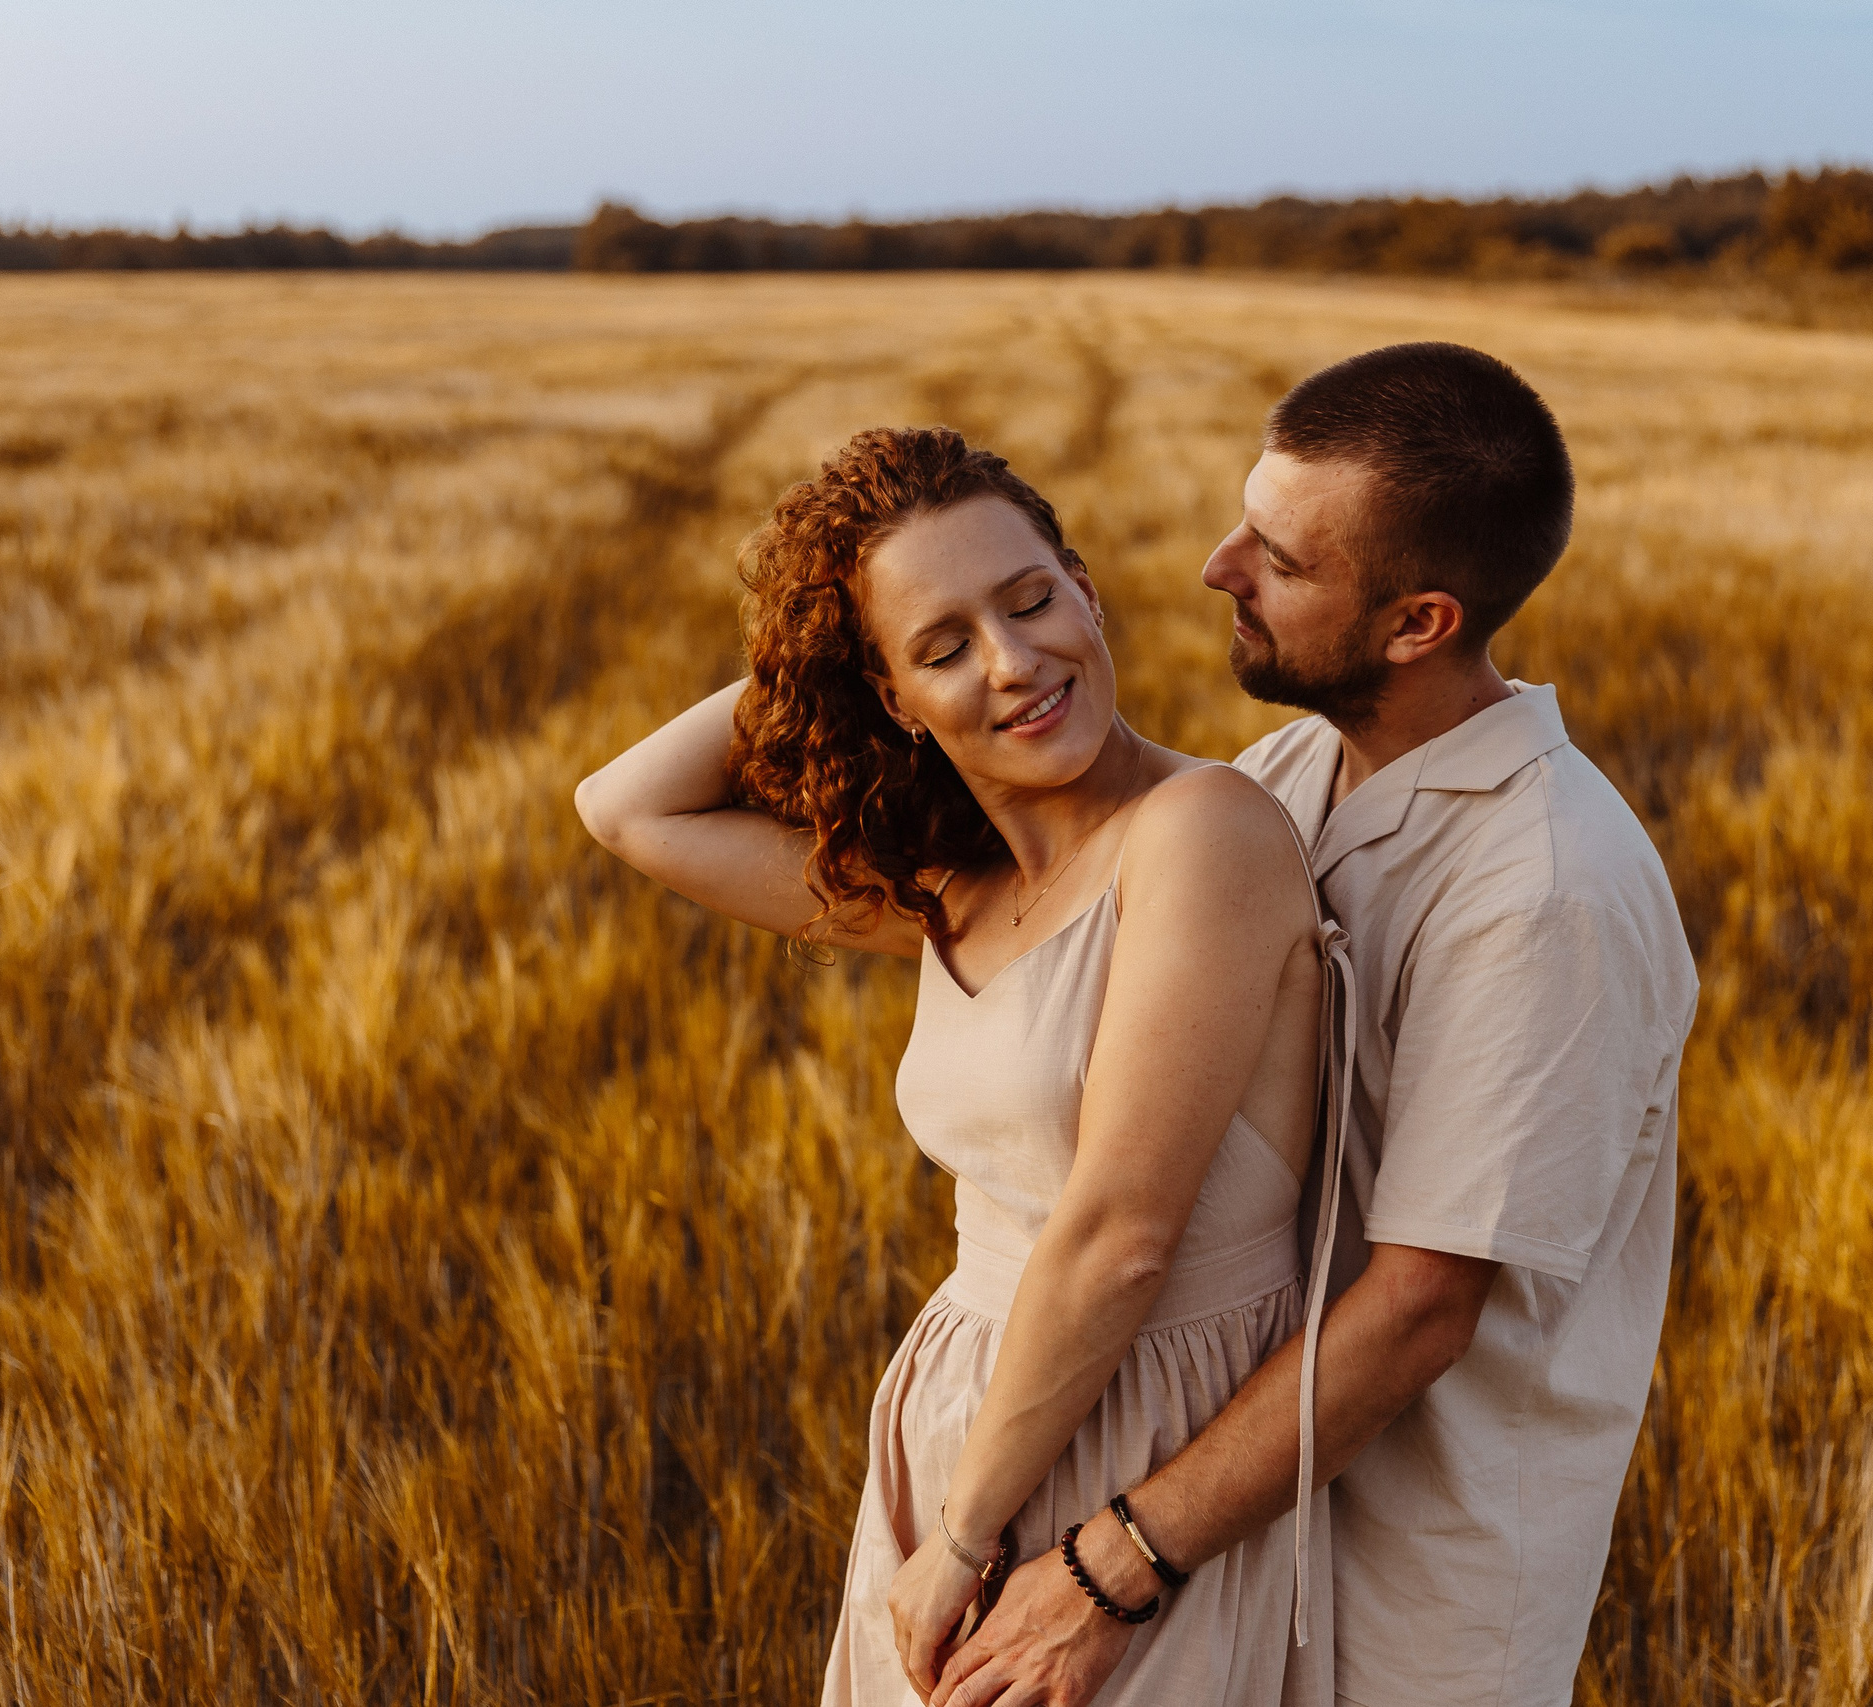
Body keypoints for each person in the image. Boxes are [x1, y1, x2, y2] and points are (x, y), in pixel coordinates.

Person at [932, 344, 1700, 1707]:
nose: (1217, 567)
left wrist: (1109, 1567)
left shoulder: (1545, 887)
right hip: (1232, 1527)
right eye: (1245, 521)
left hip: (1412, 1586)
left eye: (1279, 559)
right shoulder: (1285, 773)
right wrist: (880, 624)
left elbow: (1419, 1306)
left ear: (1417, 623)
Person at [574, 427, 1340, 1705]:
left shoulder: (1199, 832)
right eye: (942, 649)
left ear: (1086, 592)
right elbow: (625, 808)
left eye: (1032, 600)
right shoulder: (956, 895)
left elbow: (1121, 1235)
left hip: (1139, 1450)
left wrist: (966, 1539)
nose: (1012, 661)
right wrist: (820, 654)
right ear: (891, 697)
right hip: (957, 1433)